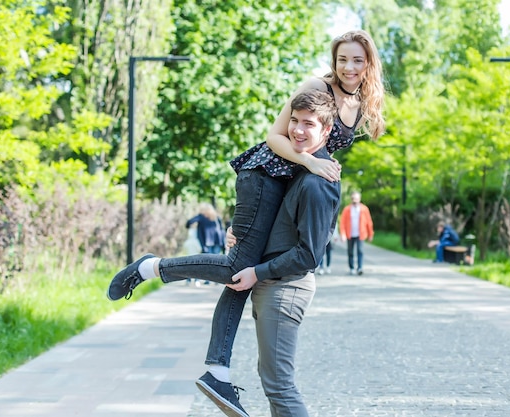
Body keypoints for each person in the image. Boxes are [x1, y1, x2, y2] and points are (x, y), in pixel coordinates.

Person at [107, 29, 386, 416]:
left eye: (357, 60)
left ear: (369, 62)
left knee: (243, 270)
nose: (348, 67)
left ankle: (217, 370)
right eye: (342, 59)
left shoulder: (363, 103)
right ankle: (151, 267)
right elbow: (275, 136)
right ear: (334, 60)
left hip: (290, 185)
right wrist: (309, 163)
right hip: (268, 174)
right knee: (241, 267)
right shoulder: (315, 86)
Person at [222, 89, 341, 416]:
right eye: (294, 121)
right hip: (273, 285)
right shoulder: (302, 168)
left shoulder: (318, 182)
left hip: (285, 288)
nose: (298, 130)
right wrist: (239, 234)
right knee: (273, 380)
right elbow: (277, 223)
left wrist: (257, 272)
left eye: (309, 124)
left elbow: (308, 255)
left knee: (279, 385)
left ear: (327, 131)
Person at [185, 203, 226, 285]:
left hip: (207, 242)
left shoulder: (201, 216)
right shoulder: (216, 217)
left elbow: (189, 222)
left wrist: (190, 226)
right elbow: (221, 230)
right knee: (216, 261)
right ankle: (215, 279)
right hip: (217, 241)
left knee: (207, 262)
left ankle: (208, 279)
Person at [339, 191, 374, 275]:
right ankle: (351, 267)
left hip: (360, 234)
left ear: (359, 199)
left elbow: (369, 222)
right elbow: (342, 222)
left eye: (356, 198)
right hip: (350, 234)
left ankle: (360, 268)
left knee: (360, 251)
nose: (355, 200)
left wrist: (370, 234)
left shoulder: (364, 209)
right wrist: (343, 234)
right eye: (353, 198)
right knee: (350, 251)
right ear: (351, 199)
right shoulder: (347, 209)